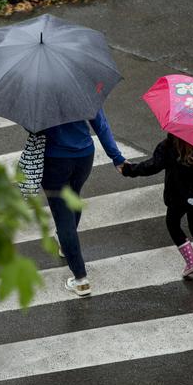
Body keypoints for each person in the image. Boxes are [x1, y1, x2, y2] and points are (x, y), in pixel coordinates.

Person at [36, 108, 127, 297]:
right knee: (74, 198)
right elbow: (101, 125)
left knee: (63, 217)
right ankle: (65, 245)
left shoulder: (38, 95)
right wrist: (116, 157)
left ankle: (80, 279)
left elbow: (33, 128)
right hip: (84, 156)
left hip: (55, 160)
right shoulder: (82, 87)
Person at [121, 133, 193, 279]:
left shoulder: (167, 145)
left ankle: (192, 261)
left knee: (172, 224)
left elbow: (152, 166)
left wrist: (129, 170)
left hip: (177, 196)